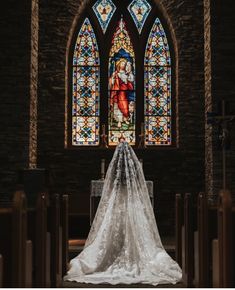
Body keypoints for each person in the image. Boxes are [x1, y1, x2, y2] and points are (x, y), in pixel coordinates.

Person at [64, 141, 182, 285]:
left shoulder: (115, 172)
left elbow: (111, 187)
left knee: (109, 230)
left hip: (117, 202)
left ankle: (105, 260)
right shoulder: (133, 176)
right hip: (132, 204)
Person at [109, 59, 134, 128]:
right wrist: (113, 79)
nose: (123, 65)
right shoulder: (116, 73)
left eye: (124, 64)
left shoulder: (126, 73)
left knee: (125, 106)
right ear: (119, 65)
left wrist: (129, 74)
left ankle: (125, 118)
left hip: (125, 93)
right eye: (122, 64)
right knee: (117, 106)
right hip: (118, 92)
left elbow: (130, 82)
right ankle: (119, 121)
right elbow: (111, 83)